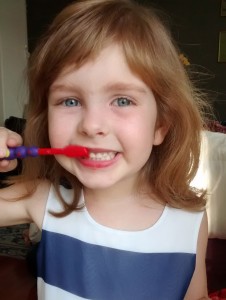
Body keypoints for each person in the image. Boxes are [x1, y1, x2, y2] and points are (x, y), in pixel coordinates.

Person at [0, 0, 211, 299]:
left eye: (122, 100)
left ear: (160, 125)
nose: (92, 125)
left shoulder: (190, 221)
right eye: (70, 101)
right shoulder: (43, 199)